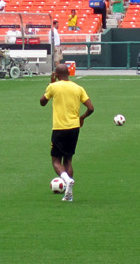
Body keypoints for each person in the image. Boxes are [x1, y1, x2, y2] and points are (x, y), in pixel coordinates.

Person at [39, 64, 94, 202]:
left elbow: (42, 102)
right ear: (69, 73)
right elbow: (91, 108)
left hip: (59, 128)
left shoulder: (54, 87)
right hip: (74, 128)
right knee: (68, 159)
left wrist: (51, 83)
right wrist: (82, 118)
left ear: (56, 74)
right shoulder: (78, 88)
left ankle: (66, 180)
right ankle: (69, 194)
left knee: (56, 161)